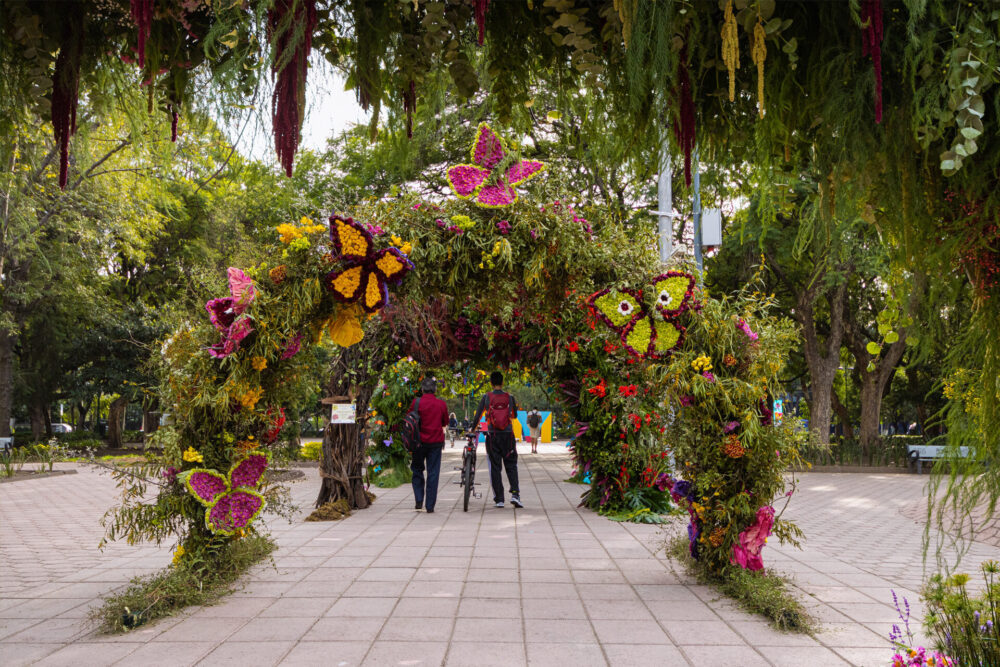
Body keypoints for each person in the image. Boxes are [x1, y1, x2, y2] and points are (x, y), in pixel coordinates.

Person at [471, 371, 522, 508]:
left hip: (493, 435)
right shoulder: (510, 397)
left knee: (495, 467)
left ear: (491, 383)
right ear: (503, 382)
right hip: (508, 435)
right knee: (511, 464)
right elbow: (515, 416)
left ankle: (499, 499)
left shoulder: (486, 397)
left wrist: (471, 430)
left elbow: (477, 417)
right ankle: (515, 495)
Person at [408, 377, 449, 513]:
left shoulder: (416, 402)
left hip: (418, 442)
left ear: (422, 389)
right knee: (433, 473)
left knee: (417, 469)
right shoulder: (441, 404)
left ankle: (419, 499)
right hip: (435, 443)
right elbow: (445, 422)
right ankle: (430, 505)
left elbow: (410, 420)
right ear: (435, 389)